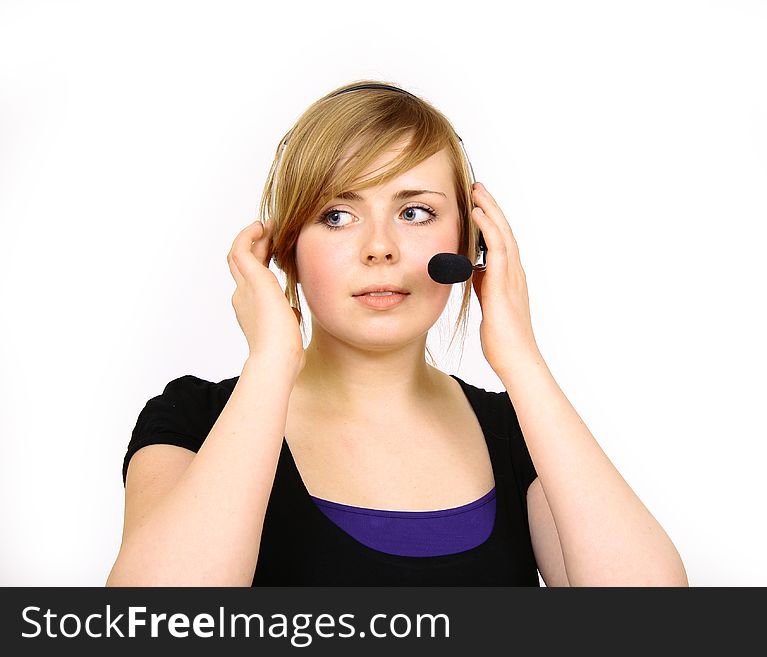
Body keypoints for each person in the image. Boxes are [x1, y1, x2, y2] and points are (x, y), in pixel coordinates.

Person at [106, 80, 689, 587]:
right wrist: (271, 361)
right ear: (286, 250)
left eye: (415, 213)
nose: (380, 247)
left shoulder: (519, 434)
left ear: (469, 244)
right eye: (337, 215)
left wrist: (522, 359)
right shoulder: (194, 419)